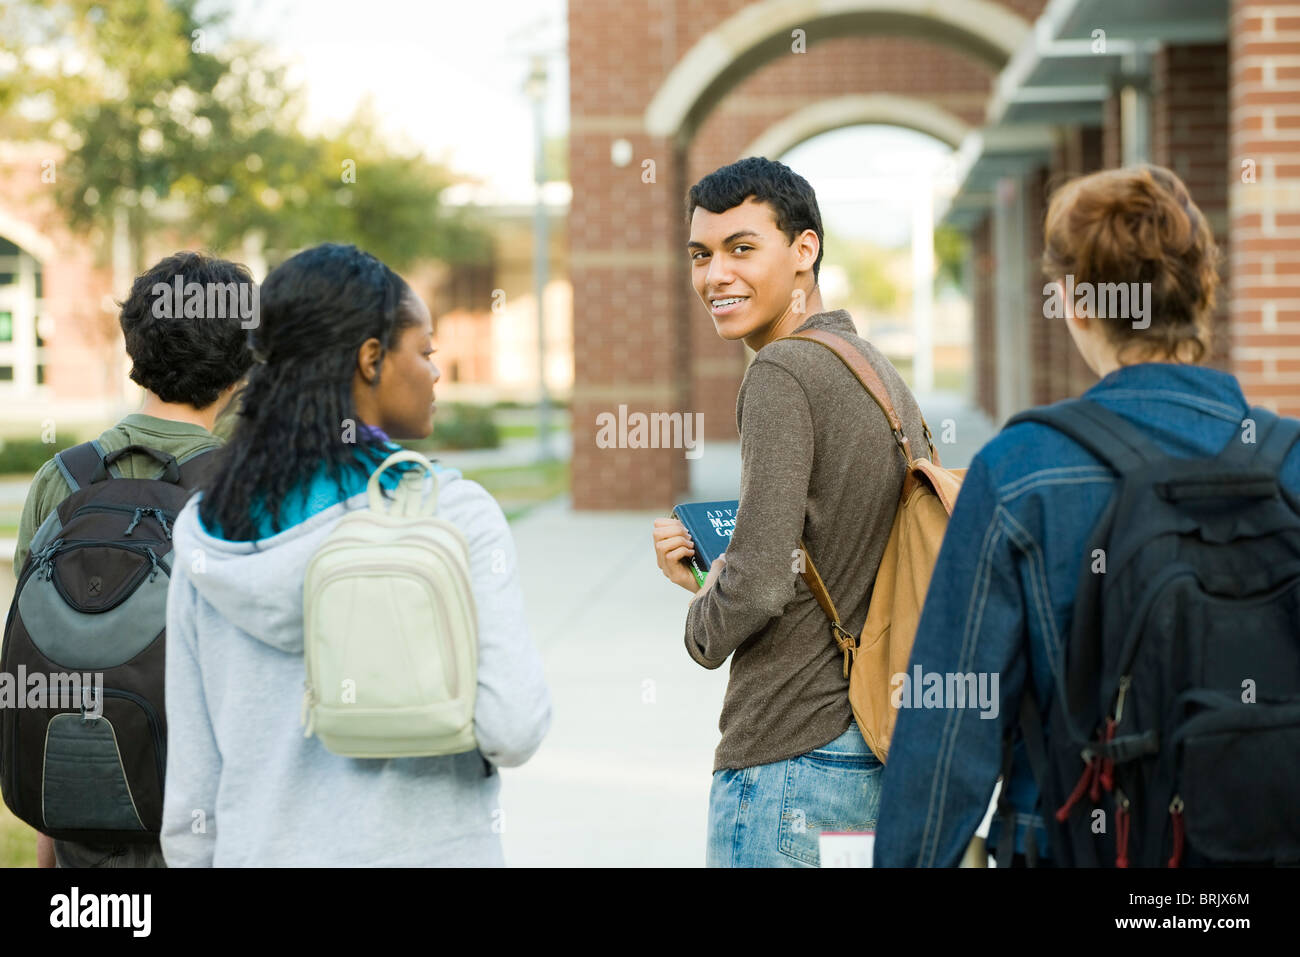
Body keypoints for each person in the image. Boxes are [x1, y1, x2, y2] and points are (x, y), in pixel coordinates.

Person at [873, 164, 1300, 866]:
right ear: (1205, 294)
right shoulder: (1289, 461)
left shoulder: (1020, 470)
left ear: (1075, 302)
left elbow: (950, 726)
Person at [159, 242, 551, 866]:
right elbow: (513, 727)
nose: (435, 372)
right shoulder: (448, 513)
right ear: (371, 359)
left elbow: (191, 803)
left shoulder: (206, 532)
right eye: (424, 351)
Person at [651, 156, 930, 867]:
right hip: (871, 745)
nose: (716, 275)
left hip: (788, 752)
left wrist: (702, 621)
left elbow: (763, 579)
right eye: (701, 255)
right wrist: (719, 570)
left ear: (804, 249)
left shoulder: (780, 371)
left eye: (743, 248)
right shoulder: (873, 369)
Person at [11, 251, 252, 868]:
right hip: (211, 825)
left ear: (135, 351)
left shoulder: (60, 480)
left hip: (81, 819)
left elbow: (44, 650)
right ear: (242, 366)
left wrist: (53, 827)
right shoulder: (246, 490)